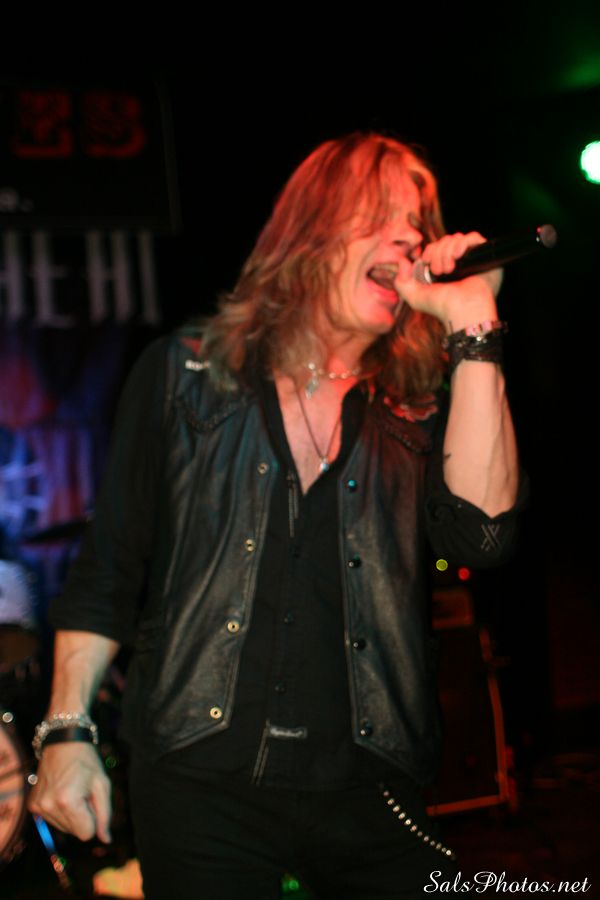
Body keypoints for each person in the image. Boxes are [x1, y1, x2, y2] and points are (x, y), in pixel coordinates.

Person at [28, 131, 525, 899]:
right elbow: (108, 569)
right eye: (381, 216)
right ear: (311, 230)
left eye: (416, 224)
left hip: (370, 790)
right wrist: (66, 729)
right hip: (200, 786)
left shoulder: (418, 403)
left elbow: (483, 537)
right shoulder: (186, 375)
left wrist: (474, 325)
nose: (408, 239)